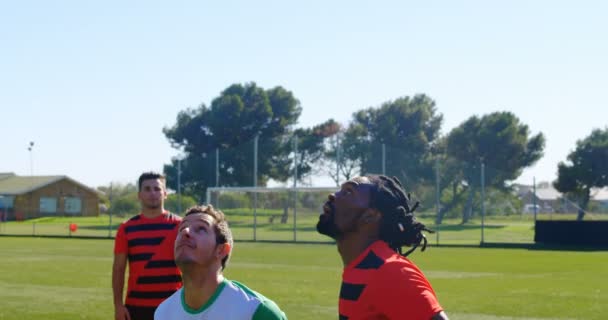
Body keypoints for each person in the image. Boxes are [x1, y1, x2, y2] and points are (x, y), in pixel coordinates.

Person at [316, 174, 449, 320]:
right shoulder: (360, 266)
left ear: (370, 216)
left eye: (349, 192)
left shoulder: (390, 271)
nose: (332, 195)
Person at [154, 205, 287, 320]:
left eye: (201, 229)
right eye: (182, 228)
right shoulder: (164, 312)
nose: (186, 232)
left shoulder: (256, 311)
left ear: (222, 250)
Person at [113, 172, 183, 320]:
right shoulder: (126, 228)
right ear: (139, 194)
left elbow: (195, 267)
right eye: (147, 189)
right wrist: (118, 306)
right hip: (137, 307)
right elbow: (118, 269)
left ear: (165, 194)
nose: (152, 193)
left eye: (157, 189)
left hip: (173, 306)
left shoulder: (181, 226)